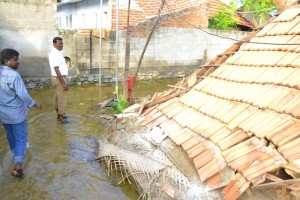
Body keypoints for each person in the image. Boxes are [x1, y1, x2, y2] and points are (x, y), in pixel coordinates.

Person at [0, 48, 42, 178]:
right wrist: (35, 104)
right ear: (7, 61)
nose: (18, 62)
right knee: (21, 139)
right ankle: (17, 168)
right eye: (15, 60)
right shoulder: (14, 75)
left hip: (3, 114)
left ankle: (16, 155)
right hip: (16, 115)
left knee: (11, 137)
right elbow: (23, 94)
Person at [48, 37, 69, 124]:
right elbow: (56, 69)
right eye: (59, 43)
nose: (61, 45)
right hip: (59, 78)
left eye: (62, 43)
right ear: (54, 44)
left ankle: (59, 116)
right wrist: (63, 83)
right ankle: (60, 119)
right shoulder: (54, 54)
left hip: (58, 78)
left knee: (57, 98)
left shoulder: (58, 52)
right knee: (61, 99)